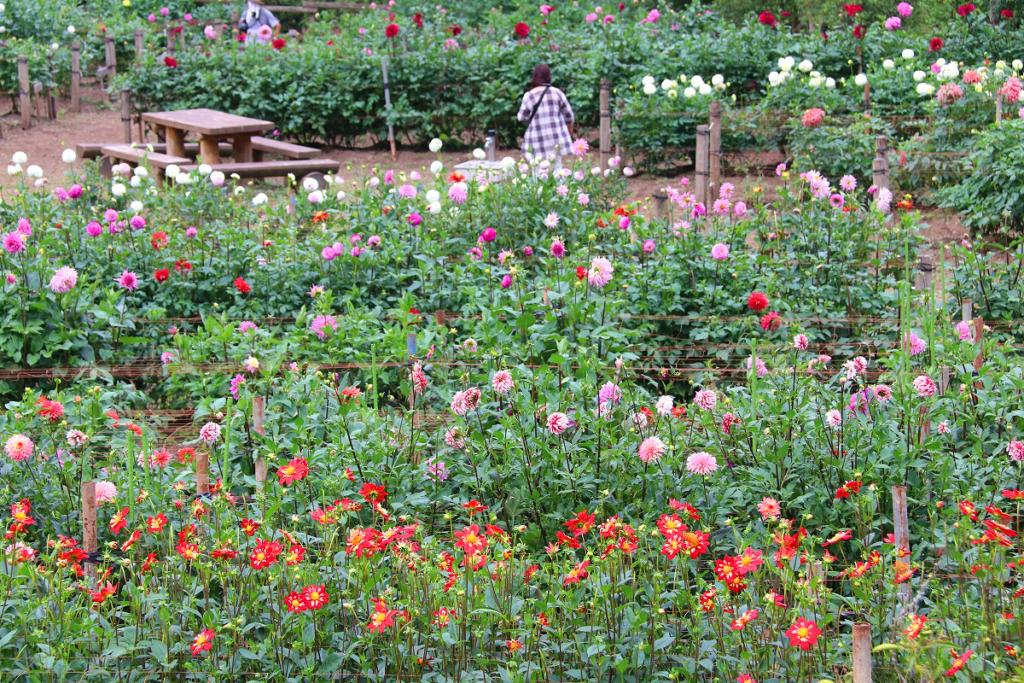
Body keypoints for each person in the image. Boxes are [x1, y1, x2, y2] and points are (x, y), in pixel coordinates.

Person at [517, 64, 575, 173]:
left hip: (536, 138)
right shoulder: (557, 93)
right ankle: (556, 189)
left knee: (538, 169)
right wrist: (569, 130)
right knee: (557, 167)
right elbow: (569, 116)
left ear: (534, 77)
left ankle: (540, 189)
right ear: (549, 76)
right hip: (555, 138)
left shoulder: (529, 96)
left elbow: (521, 118)